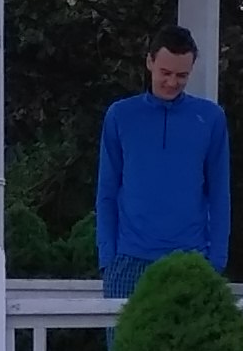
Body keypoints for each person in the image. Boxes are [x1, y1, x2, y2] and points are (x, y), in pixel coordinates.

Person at [94, 25, 230, 298]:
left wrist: (216, 261)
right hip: (129, 260)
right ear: (149, 62)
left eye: (182, 75)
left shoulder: (211, 118)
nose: (172, 82)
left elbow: (219, 193)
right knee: (124, 342)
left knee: (189, 342)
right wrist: (108, 257)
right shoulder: (121, 115)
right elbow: (106, 191)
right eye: (165, 73)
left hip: (192, 261)